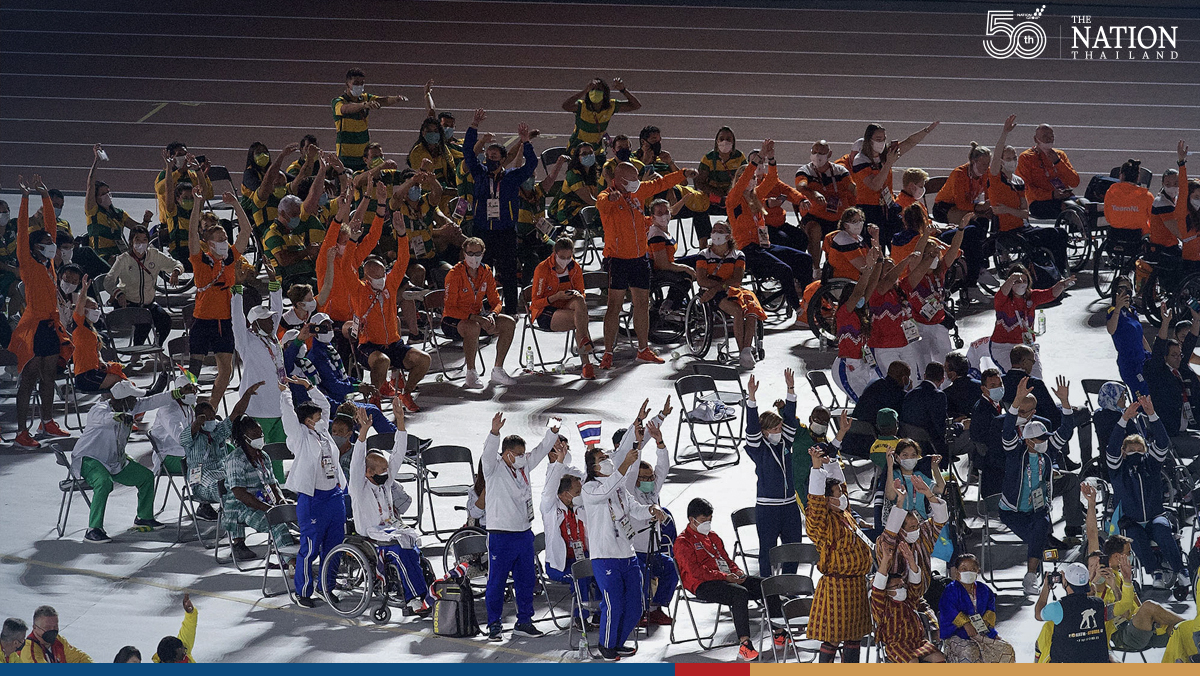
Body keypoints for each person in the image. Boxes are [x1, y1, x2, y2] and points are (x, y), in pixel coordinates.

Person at [580, 401, 667, 660]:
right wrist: (622, 465)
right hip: (605, 556)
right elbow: (607, 487)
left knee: (635, 606)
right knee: (614, 604)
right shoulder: (590, 489)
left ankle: (618, 642)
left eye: (607, 457)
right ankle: (606, 646)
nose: (608, 461)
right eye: (602, 459)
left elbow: (634, 508)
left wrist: (651, 510)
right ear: (594, 468)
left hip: (626, 555)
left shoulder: (618, 488)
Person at [596, 160, 693, 368]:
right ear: (620, 180)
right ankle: (608, 353)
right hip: (617, 260)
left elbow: (661, 184)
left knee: (642, 304)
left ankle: (643, 350)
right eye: (632, 179)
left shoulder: (637, 192)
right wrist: (612, 199)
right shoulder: (606, 196)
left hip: (640, 259)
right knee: (614, 306)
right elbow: (601, 204)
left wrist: (683, 173)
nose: (637, 182)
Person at [72, 379, 196, 542]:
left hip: (115, 461)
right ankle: (93, 529)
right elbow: (103, 418)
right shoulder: (98, 409)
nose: (137, 401)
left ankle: (143, 517)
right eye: (133, 398)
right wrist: (118, 416)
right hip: (89, 459)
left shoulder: (131, 406)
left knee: (146, 477)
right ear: (122, 400)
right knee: (103, 482)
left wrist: (179, 392)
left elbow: (153, 400)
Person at [346, 186, 430, 408]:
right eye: (375, 276)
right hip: (368, 346)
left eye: (382, 274)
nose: (381, 279)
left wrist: (402, 234)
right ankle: (374, 400)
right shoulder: (359, 289)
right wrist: (352, 240)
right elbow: (345, 267)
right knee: (382, 361)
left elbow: (403, 260)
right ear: (366, 276)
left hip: (393, 343)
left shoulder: (390, 284)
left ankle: (406, 393)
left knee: (423, 359)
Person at [676, 497, 787, 662]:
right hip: (701, 584)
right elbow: (696, 572)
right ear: (692, 520)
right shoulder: (683, 542)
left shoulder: (712, 536)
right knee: (739, 594)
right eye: (704, 520)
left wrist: (737, 572)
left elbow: (726, 560)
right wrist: (725, 576)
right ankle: (745, 645)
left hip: (725, 577)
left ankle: (779, 633)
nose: (708, 524)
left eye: (710, 520)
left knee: (767, 584)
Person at [482, 412, 561, 641]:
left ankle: (524, 621)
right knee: (497, 582)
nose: (522, 458)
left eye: (522, 454)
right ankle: (494, 624)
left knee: (526, 581)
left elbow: (541, 450)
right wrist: (494, 432)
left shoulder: (523, 466)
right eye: (517, 454)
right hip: (501, 536)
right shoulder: (493, 468)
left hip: (524, 534)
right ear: (506, 454)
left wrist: (553, 431)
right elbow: (488, 452)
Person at [346, 405, 430, 615]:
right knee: (401, 553)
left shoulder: (384, 482)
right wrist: (364, 431)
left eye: (386, 469)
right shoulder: (358, 486)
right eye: (383, 470)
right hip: (371, 538)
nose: (387, 472)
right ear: (368, 472)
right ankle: (413, 600)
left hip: (391, 531)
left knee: (414, 551)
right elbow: (356, 462)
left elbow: (398, 454)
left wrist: (400, 421)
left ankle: (427, 594)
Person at [999, 376, 1076, 595]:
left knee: (1040, 528)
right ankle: (1033, 576)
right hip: (1012, 511)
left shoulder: (1048, 448)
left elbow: (1066, 430)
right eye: (1041, 439)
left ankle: (1030, 577)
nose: (1046, 441)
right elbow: (1007, 429)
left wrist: (1065, 402)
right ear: (1028, 441)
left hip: (1038, 508)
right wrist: (1016, 401)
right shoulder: (1015, 451)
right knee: (1038, 538)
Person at [10, 176, 71, 449]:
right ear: (34, 247)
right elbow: (22, 231)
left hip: (50, 327)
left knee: (49, 376)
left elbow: (52, 227)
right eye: (46, 242)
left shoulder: (49, 264)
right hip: (33, 328)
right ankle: (21, 432)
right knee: (29, 379)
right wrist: (25, 198)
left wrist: (46, 196)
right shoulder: (27, 262)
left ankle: (47, 422)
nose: (52, 244)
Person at [1106, 396, 1190, 588]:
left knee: (1163, 529)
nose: (1136, 451)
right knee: (1134, 536)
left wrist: (1152, 414)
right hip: (1130, 520)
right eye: (1131, 449)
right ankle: (1155, 572)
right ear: (1124, 451)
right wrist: (1124, 419)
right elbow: (1112, 449)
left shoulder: (1151, 465)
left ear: (1145, 451)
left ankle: (1181, 570)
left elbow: (1162, 442)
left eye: (1139, 448)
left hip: (1155, 516)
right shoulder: (1117, 469)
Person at [727, 140, 812, 328]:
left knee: (805, 259)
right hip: (747, 251)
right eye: (748, 179)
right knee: (785, 270)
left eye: (753, 178)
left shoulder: (756, 196)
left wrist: (771, 159)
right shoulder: (733, 199)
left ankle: (812, 302)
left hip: (764, 246)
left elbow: (772, 179)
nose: (752, 180)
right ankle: (798, 310)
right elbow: (744, 179)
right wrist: (758, 158)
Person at [462, 109, 538, 315]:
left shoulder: (512, 177)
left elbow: (532, 164)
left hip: (505, 232)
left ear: (503, 159)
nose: (490, 159)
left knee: (509, 273)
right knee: (481, 273)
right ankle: (484, 309)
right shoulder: (479, 173)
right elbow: (468, 152)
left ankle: (511, 310)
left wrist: (526, 142)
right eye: (488, 156)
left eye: (495, 157)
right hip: (482, 231)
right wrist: (474, 126)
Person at [279, 377, 346, 607]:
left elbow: (325, 405)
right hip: (313, 499)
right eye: (317, 419)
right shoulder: (299, 437)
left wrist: (308, 386)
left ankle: (326, 587)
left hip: (334, 496)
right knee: (310, 549)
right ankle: (303, 592)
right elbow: (289, 417)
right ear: (308, 422)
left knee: (334, 547)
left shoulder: (323, 432)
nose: (322, 420)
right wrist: (285, 393)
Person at [805, 446, 872, 662]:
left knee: (854, 636)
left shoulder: (845, 513)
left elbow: (841, 486)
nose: (843, 497)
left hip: (857, 585)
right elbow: (815, 502)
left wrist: (832, 463)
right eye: (837, 495)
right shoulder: (821, 523)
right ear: (826, 500)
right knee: (833, 638)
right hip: (837, 587)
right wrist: (817, 468)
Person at [188, 191, 253, 407]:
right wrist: (197, 203)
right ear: (208, 243)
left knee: (226, 370)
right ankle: (187, 405)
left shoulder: (231, 258)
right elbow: (192, 234)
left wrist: (235, 203)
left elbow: (246, 231)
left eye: (225, 238)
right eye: (220, 239)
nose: (225, 241)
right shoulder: (200, 260)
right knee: (194, 370)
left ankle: (212, 406)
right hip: (202, 320)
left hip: (224, 322)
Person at [988, 115, 1069, 273]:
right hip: (1008, 232)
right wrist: (1005, 133)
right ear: (1002, 161)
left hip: (1023, 227)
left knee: (1060, 233)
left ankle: (1059, 272)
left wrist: (1007, 210)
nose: (1013, 161)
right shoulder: (996, 178)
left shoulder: (1018, 181)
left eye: (1014, 157)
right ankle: (1053, 273)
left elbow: (1025, 213)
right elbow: (996, 155)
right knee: (1049, 238)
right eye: (1008, 158)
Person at [746, 370, 804, 575]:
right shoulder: (758, 448)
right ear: (764, 432)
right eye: (775, 429)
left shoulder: (785, 442)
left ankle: (789, 585)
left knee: (793, 549)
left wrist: (790, 389)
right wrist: (751, 398)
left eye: (780, 428)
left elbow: (790, 419)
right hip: (768, 508)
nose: (780, 431)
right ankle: (767, 588)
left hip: (790, 506)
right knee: (767, 553)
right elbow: (751, 427)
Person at [441, 236, 518, 388]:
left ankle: (498, 369)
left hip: (477, 317)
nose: (474, 257)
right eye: (470, 253)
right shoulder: (455, 274)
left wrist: (492, 315)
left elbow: (496, 302)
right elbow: (450, 308)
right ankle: (471, 372)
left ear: (483, 253)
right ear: (464, 253)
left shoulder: (486, 271)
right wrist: (476, 318)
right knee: (473, 327)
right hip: (453, 319)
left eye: (477, 254)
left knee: (508, 322)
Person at [626, 400, 676, 627]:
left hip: (654, 549)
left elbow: (663, 468)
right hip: (636, 551)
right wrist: (638, 444)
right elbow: (632, 467)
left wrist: (659, 442)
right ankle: (639, 612)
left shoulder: (653, 490)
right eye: (644, 478)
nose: (649, 480)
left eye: (650, 477)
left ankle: (656, 608)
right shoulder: (629, 490)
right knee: (642, 579)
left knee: (671, 568)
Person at [181, 383, 261, 523]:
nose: (211, 420)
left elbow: (236, 413)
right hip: (201, 480)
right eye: (207, 418)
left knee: (244, 480)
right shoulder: (191, 436)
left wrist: (247, 395)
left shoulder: (218, 430)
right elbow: (186, 435)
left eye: (213, 417)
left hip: (223, 474)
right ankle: (235, 514)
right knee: (228, 487)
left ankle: (245, 510)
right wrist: (197, 424)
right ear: (198, 419)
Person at [851, 122, 939, 247]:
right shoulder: (860, 160)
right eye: (878, 139)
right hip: (870, 209)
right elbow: (875, 185)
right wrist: (888, 163)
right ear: (869, 140)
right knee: (877, 246)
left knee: (897, 241)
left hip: (889, 205)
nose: (882, 142)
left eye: (884, 139)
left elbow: (909, 142)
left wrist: (926, 130)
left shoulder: (885, 154)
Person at [694, 220, 767, 368]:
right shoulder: (704, 255)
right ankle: (743, 351)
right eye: (714, 230)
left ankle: (746, 350)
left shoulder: (738, 255)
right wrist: (719, 288)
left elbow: (737, 279)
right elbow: (701, 280)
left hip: (730, 290)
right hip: (713, 293)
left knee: (752, 310)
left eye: (720, 231)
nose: (716, 233)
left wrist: (717, 288)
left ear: (728, 236)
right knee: (738, 311)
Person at [540, 439, 594, 629]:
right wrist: (559, 461)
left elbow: (591, 480)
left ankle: (600, 615)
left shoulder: (579, 507)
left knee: (605, 572)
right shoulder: (550, 508)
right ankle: (581, 618)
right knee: (581, 577)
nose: (580, 495)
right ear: (563, 494)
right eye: (577, 492)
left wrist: (590, 451)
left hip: (582, 557)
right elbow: (549, 490)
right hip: (560, 564)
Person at [224, 412, 293, 560]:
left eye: (260, 433)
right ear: (244, 438)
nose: (260, 437)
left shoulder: (263, 456)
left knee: (295, 515)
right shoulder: (236, 459)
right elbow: (240, 494)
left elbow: (273, 484)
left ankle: (291, 550)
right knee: (278, 524)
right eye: (255, 435)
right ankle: (291, 562)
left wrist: (281, 502)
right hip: (242, 507)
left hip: (263, 501)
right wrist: (268, 509)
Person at [987, 265, 1073, 376]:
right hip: (1004, 346)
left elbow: (1050, 294)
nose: (1022, 284)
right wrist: (1011, 279)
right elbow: (1001, 293)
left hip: (1027, 345)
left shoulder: (1032, 296)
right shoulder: (1002, 299)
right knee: (1016, 376)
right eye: (1017, 281)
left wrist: (1062, 285)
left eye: (1025, 281)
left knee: (1036, 377)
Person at [871, 534, 946, 663]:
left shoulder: (909, 599)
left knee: (941, 660)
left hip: (919, 642)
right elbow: (878, 587)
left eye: (902, 585)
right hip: (897, 645)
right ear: (887, 590)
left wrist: (911, 561)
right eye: (897, 586)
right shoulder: (882, 604)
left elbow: (915, 583)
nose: (901, 588)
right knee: (913, 662)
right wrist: (885, 561)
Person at [104, 224, 182, 346]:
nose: (141, 243)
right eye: (137, 240)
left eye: (144, 240)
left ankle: (157, 347)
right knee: (144, 321)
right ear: (131, 242)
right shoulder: (123, 259)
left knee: (166, 321)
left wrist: (176, 272)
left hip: (148, 304)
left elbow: (176, 264)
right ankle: (137, 350)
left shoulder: (155, 255)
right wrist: (118, 293)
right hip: (129, 304)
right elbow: (108, 280)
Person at [530, 237, 595, 380]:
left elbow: (582, 292)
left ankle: (584, 345)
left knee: (580, 301)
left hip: (567, 305)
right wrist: (556, 296)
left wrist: (576, 294)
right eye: (562, 257)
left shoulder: (575, 267)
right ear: (555, 253)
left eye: (568, 257)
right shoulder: (542, 268)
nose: (565, 261)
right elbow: (535, 303)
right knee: (581, 319)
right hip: (546, 310)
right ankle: (586, 363)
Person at [1144, 303, 1200, 459]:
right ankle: (1193, 472)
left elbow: (1188, 345)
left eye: (1179, 355)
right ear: (1165, 357)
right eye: (1173, 355)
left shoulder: (1179, 368)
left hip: (1189, 424)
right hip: (1171, 435)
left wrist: (1196, 321)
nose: (1178, 358)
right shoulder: (1157, 373)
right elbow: (1158, 350)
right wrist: (1165, 323)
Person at [938, 553, 1015, 662]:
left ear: (978, 571)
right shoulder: (951, 590)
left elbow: (990, 609)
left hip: (981, 631)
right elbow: (949, 610)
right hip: (957, 634)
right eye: (964, 569)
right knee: (969, 652)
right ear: (957, 572)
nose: (969, 572)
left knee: (1006, 649)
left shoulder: (984, 589)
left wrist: (985, 626)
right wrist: (966, 624)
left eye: (973, 569)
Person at [795, 140, 858, 271]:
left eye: (821, 153)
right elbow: (801, 186)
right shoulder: (805, 171)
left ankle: (837, 267)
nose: (817, 156)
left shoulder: (840, 171)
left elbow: (853, 188)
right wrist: (814, 194)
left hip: (839, 217)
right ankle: (816, 269)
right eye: (815, 152)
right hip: (815, 216)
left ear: (829, 154)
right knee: (813, 229)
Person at [832, 246, 884, 402]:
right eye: (858, 295)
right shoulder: (844, 312)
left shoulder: (859, 312)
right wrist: (868, 268)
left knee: (870, 400)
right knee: (861, 403)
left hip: (862, 363)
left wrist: (879, 262)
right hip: (847, 366)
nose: (862, 298)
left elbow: (871, 285)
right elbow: (858, 293)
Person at [85, 144, 153, 262]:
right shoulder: (93, 211)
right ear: (95, 198)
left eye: (108, 192)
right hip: (101, 256)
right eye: (103, 194)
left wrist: (146, 220)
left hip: (120, 254)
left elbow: (139, 229)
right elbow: (90, 184)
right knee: (119, 261)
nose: (107, 195)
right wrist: (96, 160)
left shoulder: (119, 213)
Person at [332, 67, 408, 171]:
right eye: (356, 83)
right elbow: (345, 109)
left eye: (362, 83)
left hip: (364, 155)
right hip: (346, 156)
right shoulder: (338, 101)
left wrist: (396, 98)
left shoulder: (365, 97)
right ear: (347, 84)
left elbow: (382, 100)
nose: (359, 86)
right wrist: (363, 105)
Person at [1034, 562, 1110, 663]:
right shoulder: (1099, 604)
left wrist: (1046, 587)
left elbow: (1038, 614)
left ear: (1065, 581)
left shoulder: (1058, 608)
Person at [866, 253, 922, 375]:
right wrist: (906, 260)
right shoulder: (874, 289)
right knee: (895, 382)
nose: (894, 272)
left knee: (913, 380)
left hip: (906, 344)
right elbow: (889, 279)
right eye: (888, 270)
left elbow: (919, 273)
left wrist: (930, 257)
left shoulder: (901, 288)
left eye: (894, 268)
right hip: (884, 347)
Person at [68, 276, 126, 393]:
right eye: (92, 308)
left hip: (95, 371)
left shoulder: (92, 330)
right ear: (84, 310)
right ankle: (144, 396)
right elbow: (80, 305)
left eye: (96, 308)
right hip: (85, 376)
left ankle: (115, 401)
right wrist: (84, 290)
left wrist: (101, 361)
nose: (96, 311)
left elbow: (96, 351)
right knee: (120, 382)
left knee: (118, 374)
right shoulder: (79, 326)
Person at [692, 127, 746, 249]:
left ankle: (726, 239)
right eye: (721, 139)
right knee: (699, 207)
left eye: (728, 139)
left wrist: (731, 195)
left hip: (731, 198)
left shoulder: (740, 157)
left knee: (742, 206)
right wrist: (716, 194)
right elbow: (699, 182)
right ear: (716, 141)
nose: (725, 142)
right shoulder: (708, 158)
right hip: (713, 198)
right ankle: (704, 245)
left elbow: (745, 178)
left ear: (733, 142)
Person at [1017, 124, 1084, 219]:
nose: (1048, 139)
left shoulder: (1060, 155)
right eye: (1045, 136)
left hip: (1064, 198)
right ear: (1036, 139)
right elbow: (1026, 188)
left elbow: (1074, 182)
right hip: (1039, 202)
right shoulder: (1026, 157)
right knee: (1068, 209)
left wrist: (1058, 162)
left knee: (1083, 206)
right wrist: (1051, 195)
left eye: (1051, 136)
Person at [562, 77, 641, 153]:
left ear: (605, 93)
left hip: (596, 150)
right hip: (577, 149)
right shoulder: (582, 106)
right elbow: (566, 106)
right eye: (592, 89)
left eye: (599, 90)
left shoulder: (611, 106)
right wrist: (584, 91)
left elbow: (636, 105)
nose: (595, 92)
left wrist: (623, 90)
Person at [1107, 282, 1151, 396]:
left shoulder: (1133, 311)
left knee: (1150, 392)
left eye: (1128, 288)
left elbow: (1140, 336)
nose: (1125, 292)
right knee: (1140, 394)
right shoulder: (1113, 312)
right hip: (1130, 363)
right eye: (1121, 288)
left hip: (1142, 359)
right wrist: (1118, 307)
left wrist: (1152, 356)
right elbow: (1111, 330)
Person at [901, 362, 950, 460]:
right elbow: (941, 427)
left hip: (910, 443)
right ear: (942, 379)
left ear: (924, 376)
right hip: (931, 446)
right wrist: (960, 426)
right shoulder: (938, 395)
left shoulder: (910, 394)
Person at [971, 368, 1007, 496]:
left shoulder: (997, 403)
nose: (998, 388)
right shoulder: (982, 410)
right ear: (983, 389)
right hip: (989, 456)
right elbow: (988, 439)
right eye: (993, 386)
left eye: (1000, 384)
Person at [1147, 142, 1190, 250]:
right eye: (1168, 184)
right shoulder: (1162, 203)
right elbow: (1178, 232)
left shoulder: (1172, 199)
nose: (1172, 186)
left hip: (1169, 244)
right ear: (1162, 184)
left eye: (1175, 183)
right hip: (1164, 248)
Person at [788, 405, 832, 508]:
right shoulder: (801, 433)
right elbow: (791, 421)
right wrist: (783, 408)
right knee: (808, 510)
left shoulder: (827, 444)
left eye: (824, 422)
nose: (820, 423)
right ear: (810, 419)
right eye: (817, 420)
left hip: (819, 486)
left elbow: (837, 465)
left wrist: (829, 462)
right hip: (799, 482)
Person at [853, 361, 910, 434]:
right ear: (904, 379)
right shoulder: (901, 396)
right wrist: (910, 393)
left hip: (856, 429)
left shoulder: (873, 384)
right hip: (876, 434)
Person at [18, 606, 92, 663]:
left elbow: (80, 658)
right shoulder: (29, 651)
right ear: (35, 628)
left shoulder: (58, 640)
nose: (52, 630)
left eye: (55, 626)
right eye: (47, 627)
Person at [151, 595, 198, 663]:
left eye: (184, 650)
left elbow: (188, 629)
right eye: (182, 655)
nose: (185, 654)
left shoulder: (181, 650)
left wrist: (190, 613)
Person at [944, 352, 981, 419]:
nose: (944, 371)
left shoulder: (947, 394)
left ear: (953, 373)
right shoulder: (982, 386)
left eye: (946, 369)